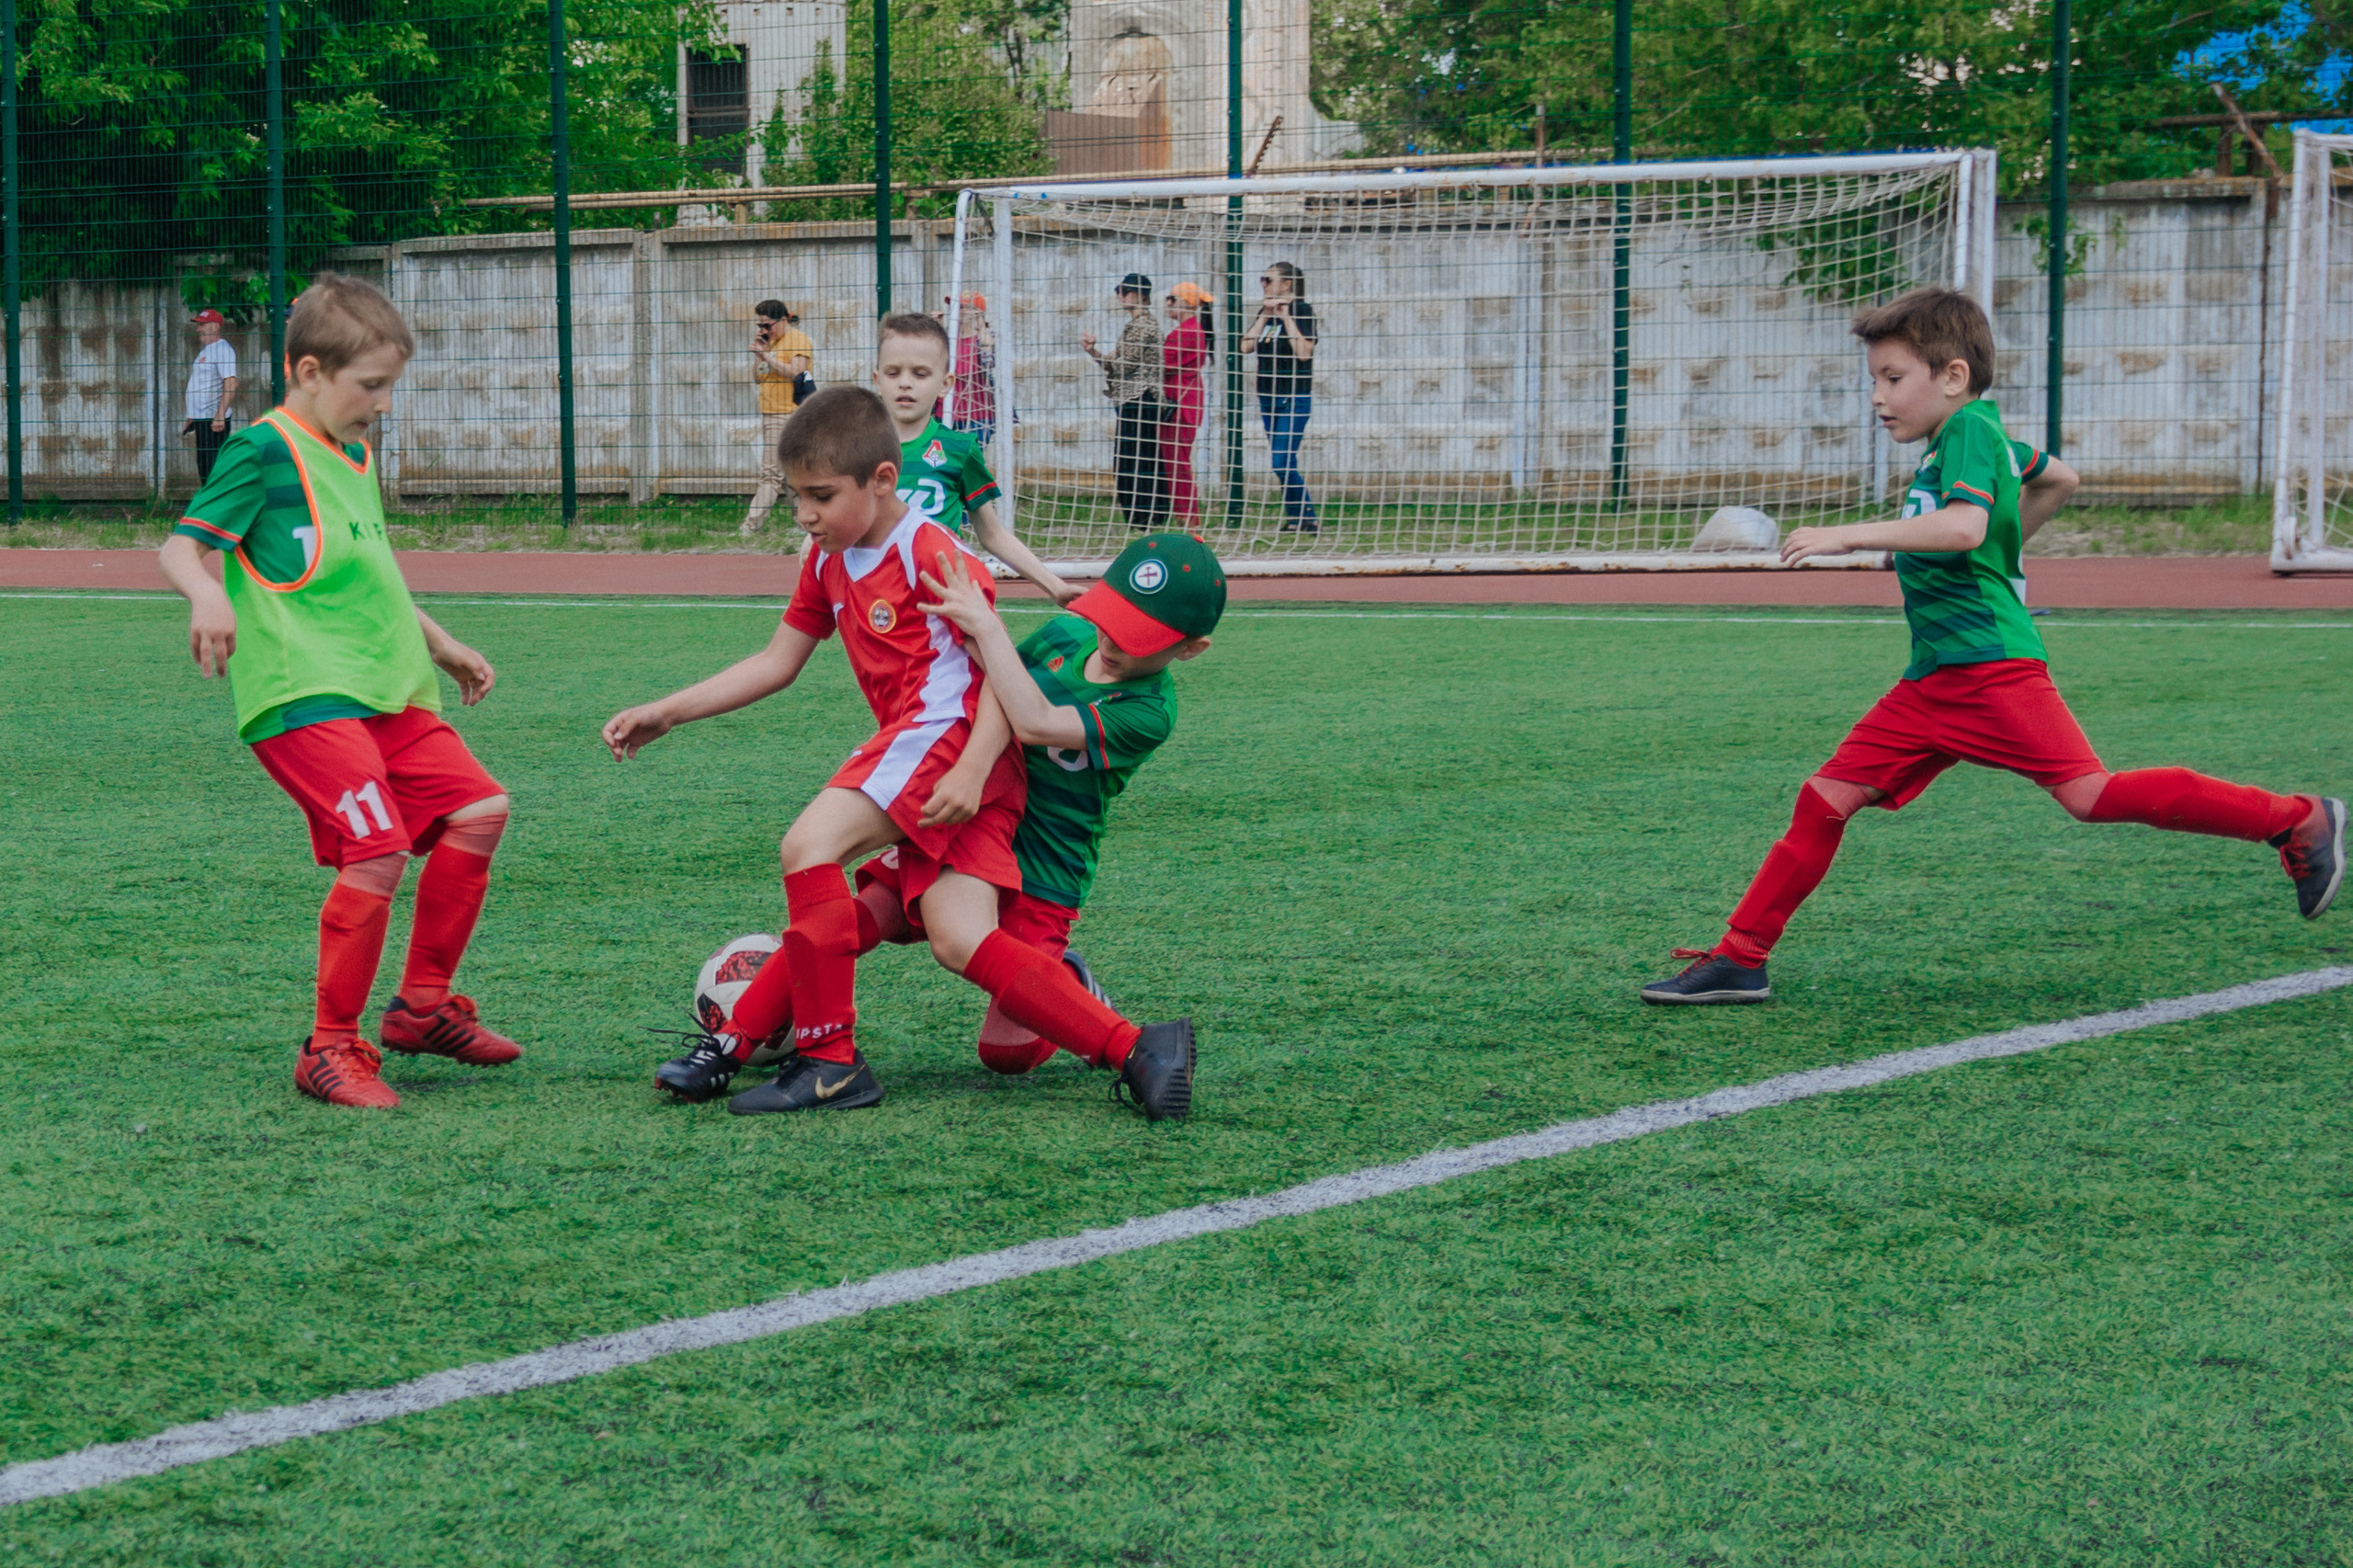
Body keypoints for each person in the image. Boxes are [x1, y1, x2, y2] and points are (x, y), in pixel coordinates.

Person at [1642, 286, 2345, 1006]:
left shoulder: (1970, 431)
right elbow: (2058, 478)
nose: (1878, 396)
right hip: (1934, 680)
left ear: (1952, 376)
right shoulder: (1971, 440)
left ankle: (2297, 819)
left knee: (2090, 796)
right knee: (1824, 797)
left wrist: (1848, 535)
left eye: (1893, 377)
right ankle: (1741, 957)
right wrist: (1997, 553)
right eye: (1874, 379)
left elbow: (1963, 528)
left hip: (1990, 668)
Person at [602, 387, 1195, 1119]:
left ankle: (829, 1061)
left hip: (942, 740)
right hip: (934, 758)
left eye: (821, 496)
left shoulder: (931, 554)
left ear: (882, 480)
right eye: (795, 496)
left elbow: (996, 676)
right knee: (956, 938)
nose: (804, 514)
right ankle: (1139, 1047)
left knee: (808, 847)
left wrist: (973, 768)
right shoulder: (827, 560)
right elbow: (777, 661)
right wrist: (668, 711)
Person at [156, 274, 521, 1109]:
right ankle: (328, 1048)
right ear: (309, 372)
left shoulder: (353, 453)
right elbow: (179, 549)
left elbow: (370, 572)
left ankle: (423, 1007)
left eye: (391, 386)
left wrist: (442, 644)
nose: (383, 405)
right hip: (303, 695)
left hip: (386, 688)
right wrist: (208, 595)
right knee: (379, 849)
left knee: (480, 811)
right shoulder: (261, 452)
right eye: (372, 386)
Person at [915, 530, 1221, 1079]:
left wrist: (988, 627)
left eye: (1138, 637)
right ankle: (796, 1031)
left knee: (1005, 1055)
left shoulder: (1150, 711)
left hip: (1048, 866)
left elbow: (1033, 721)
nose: (1112, 642)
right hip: (983, 826)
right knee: (876, 914)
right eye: (1111, 618)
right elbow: (994, 682)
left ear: (1191, 649)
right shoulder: (1067, 633)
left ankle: (1071, 982)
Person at [873, 312, 1077, 604]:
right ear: (878, 380)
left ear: (945, 383)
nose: (905, 383)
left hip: (942, 601)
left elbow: (992, 534)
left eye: (920, 373)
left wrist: (1055, 586)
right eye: (893, 373)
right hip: (877, 598)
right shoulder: (860, 450)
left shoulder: (959, 449)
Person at [1079, 272, 1167, 530]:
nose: (1119, 296)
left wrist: (1102, 356)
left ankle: (1146, 515)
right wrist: (1094, 352)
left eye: (1123, 291)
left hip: (1141, 399)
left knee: (1137, 459)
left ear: (1139, 295)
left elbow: (1123, 364)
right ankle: (1142, 516)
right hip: (1132, 399)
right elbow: (1115, 363)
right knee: (1132, 459)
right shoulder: (1135, 326)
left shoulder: (1143, 326)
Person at [1241, 260, 1318, 534]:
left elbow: (1304, 353)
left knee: (1281, 461)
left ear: (1287, 284)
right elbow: (1245, 346)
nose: (1263, 284)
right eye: (1262, 280)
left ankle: (1308, 516)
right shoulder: (1266, 314)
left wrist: (1286, 317)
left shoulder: (1303, 311)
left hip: (1294, 397)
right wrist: (1265, 315)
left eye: (1268, 280)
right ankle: (1297, 519)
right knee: (1284, 463)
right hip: (1268, 397)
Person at [741, 299, 814, 537]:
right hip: (770, 413)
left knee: (771, 474)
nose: (764, 330)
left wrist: (767, 358)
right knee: (791, 473)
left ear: (783, 320)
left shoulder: (797, 340)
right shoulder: (771, 344)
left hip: (787, 413)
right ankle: (803, 525)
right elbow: (757, 378)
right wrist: (760, 355)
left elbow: (797, 371)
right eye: (760, 326)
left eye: (767, 325)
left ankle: (751, 526)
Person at [1160, 283, 1213, 526]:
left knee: (1177, 461)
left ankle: (1188, 515)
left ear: (1187, 302)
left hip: (1180, 404)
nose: (1168, 303)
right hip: (1184, 401)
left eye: (1172, 298)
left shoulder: (1188, 331)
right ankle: (1183, 512)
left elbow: (1162, 363)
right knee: (1175, 460)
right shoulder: (1190, 329)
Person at [184, 308, 240, 484]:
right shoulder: (206, 351)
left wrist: (220, 415)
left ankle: (217, 502)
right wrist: (192, 415)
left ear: (215, 326)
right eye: (198, 325)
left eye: (202, 325)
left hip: (214, 422)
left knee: (213, 470)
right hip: (203, 419)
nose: (198, 329)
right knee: (204, 468)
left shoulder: (222, 349)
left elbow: (231, 382)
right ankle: (209, 501)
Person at [946, 292, 997, 451]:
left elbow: (989, 363)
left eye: (964, 307)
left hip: (977, 413)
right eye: (957, 307)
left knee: (971, 459)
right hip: (947, 412)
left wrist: (980, 323)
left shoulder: (984, 337)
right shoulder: (947, 338)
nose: (959, 311)